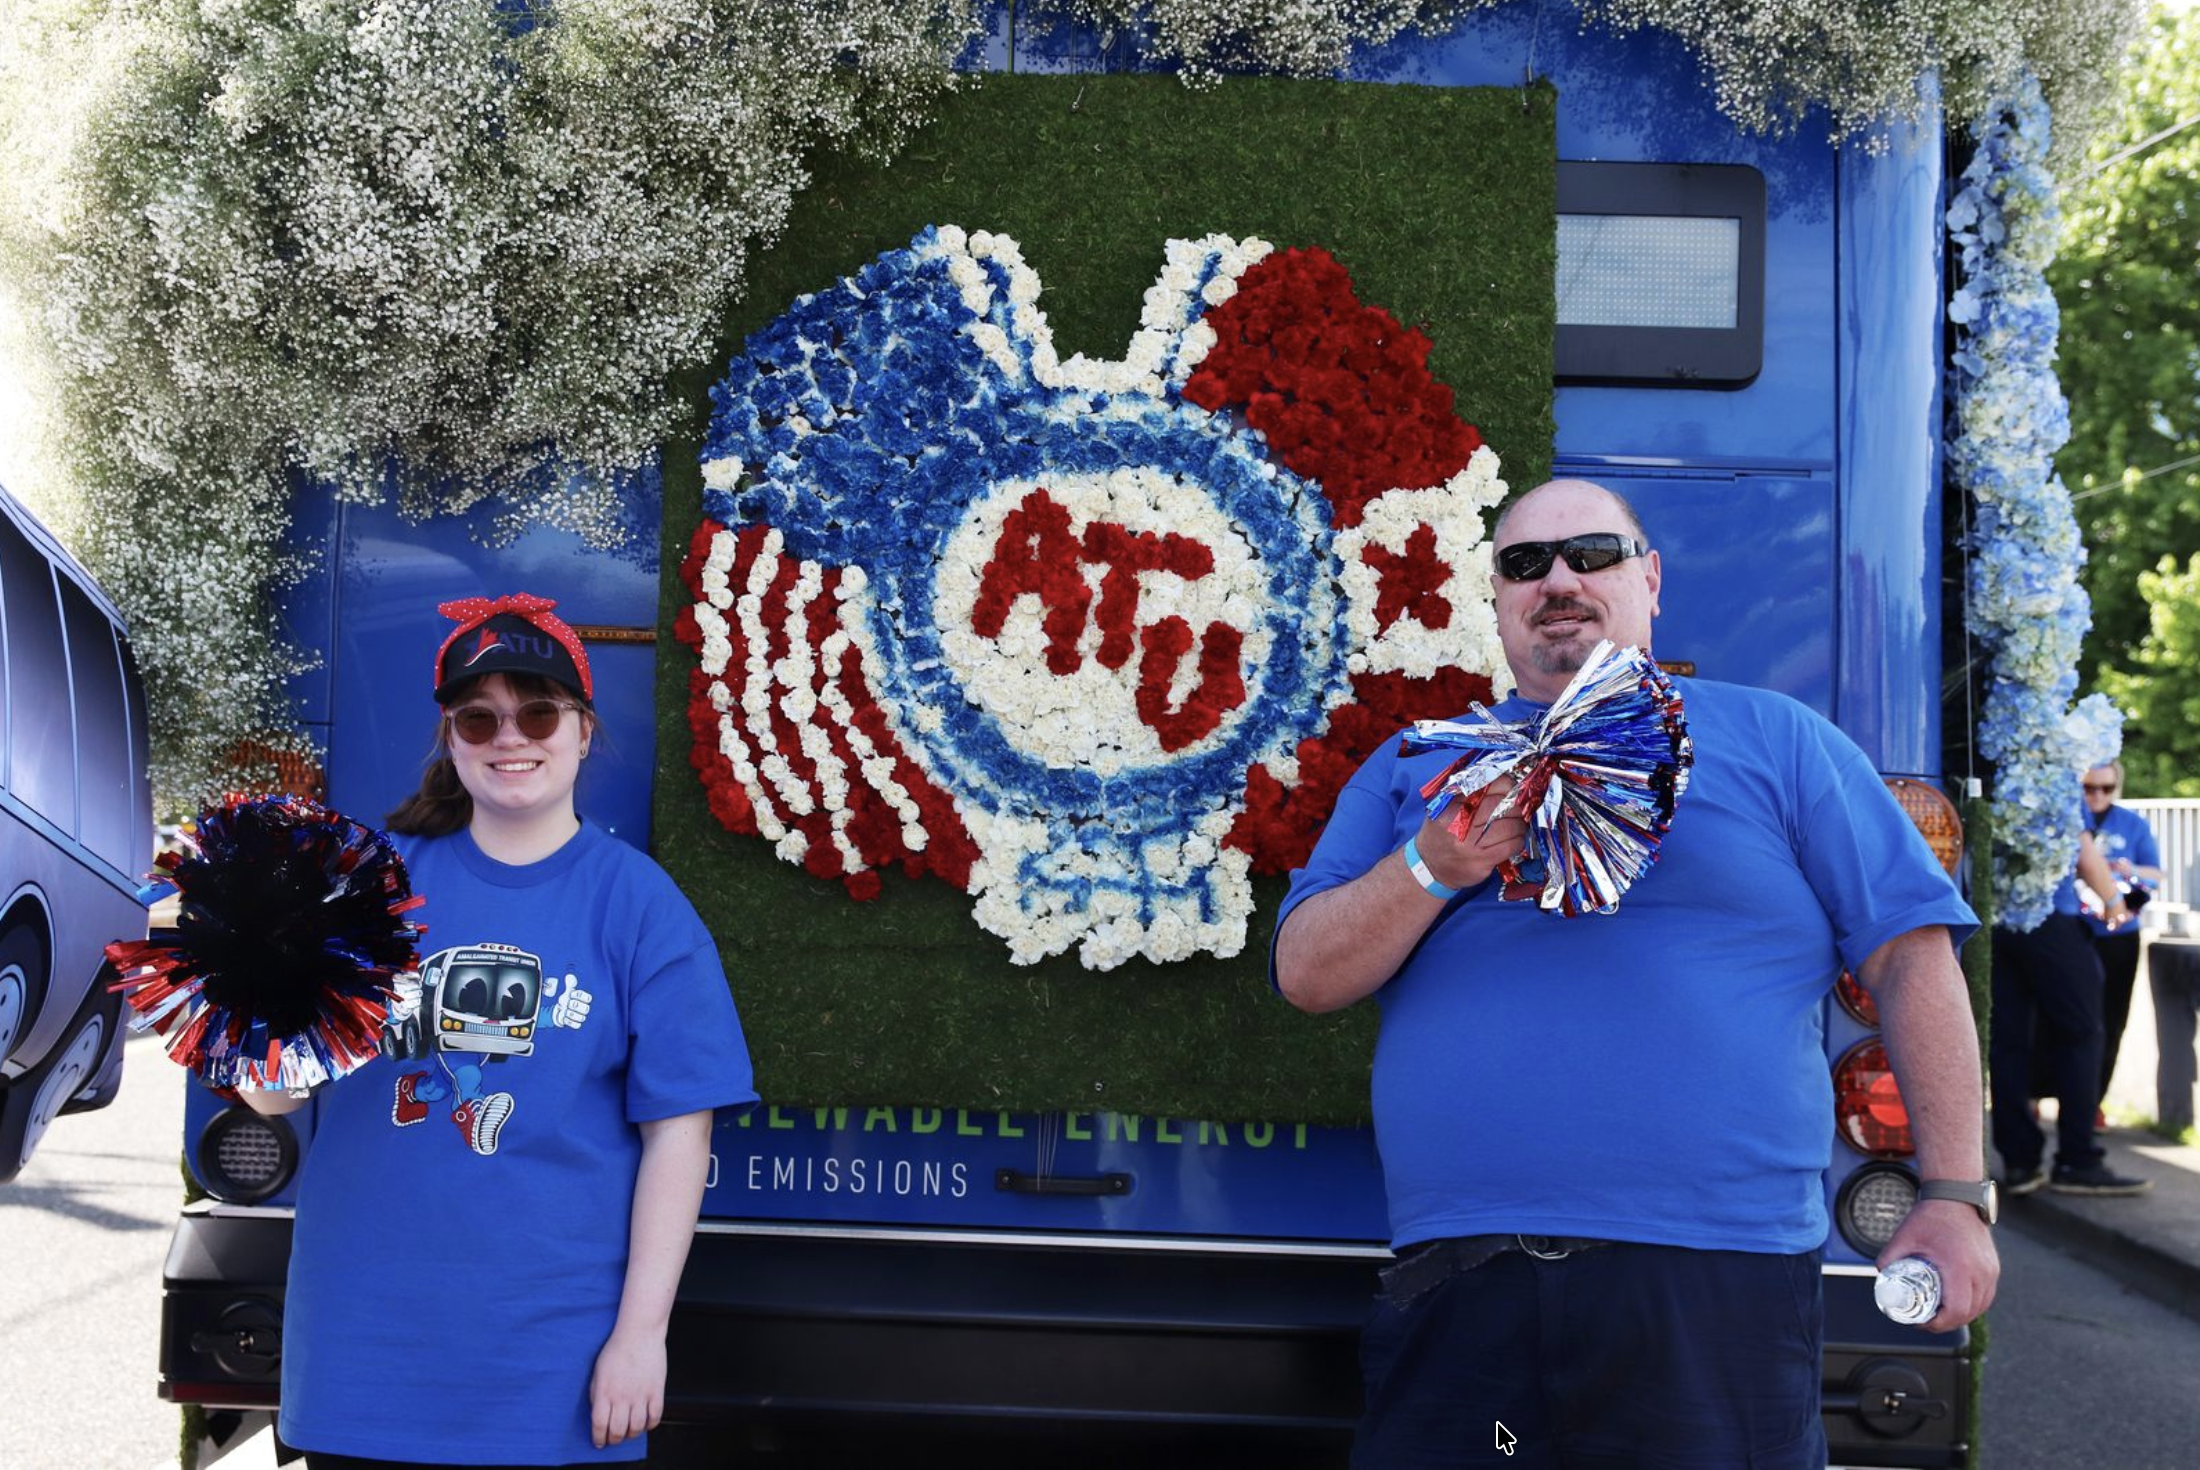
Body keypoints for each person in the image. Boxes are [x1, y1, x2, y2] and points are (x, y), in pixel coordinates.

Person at [1272, 479, 1996, 1470]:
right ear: (1496, 599)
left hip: (1716, 1283)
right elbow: (1306, 973)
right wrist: (1432, 868)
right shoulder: (1419, 764)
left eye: (1591, 553)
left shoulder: (1778, 742)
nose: (1557, 578)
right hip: (1461, 1283)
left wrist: (1953, 1192)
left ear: (1649, 581)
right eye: (1525, 563)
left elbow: (1914, 962)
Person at [243, 592, 757, 1467]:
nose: (510, 738)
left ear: (584, 730)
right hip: (364, 1354)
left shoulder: (639, 907)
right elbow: (273, 1090)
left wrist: (641, 1337)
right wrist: (249, 986)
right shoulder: (369, 885)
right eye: (478, 719)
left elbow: (679, 1133)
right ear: (450, 738)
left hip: (550, 1362)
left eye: (539, 712)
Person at [1990, 818, 2150, 1198]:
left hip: (1995, 916)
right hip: (2048, 914)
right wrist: (2113, 901)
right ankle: (2078, 1160)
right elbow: (2079, 844)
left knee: (2008, 1040)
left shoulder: (1983, 761)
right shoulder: (2056, 761)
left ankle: (2019, 1161)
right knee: (2082, 1032)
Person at [2078, 761, 2163, 1100]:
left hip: (2118, 934)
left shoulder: (2132, 824)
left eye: (2106, 788)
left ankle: (2094, 1099)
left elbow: (2157, 874)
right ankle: (2039, 1093)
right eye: (2089, 787)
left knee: (2111, 1018)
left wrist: (2129, 870)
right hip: (2076, 929)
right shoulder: (2066, 819)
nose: (2097, 795)